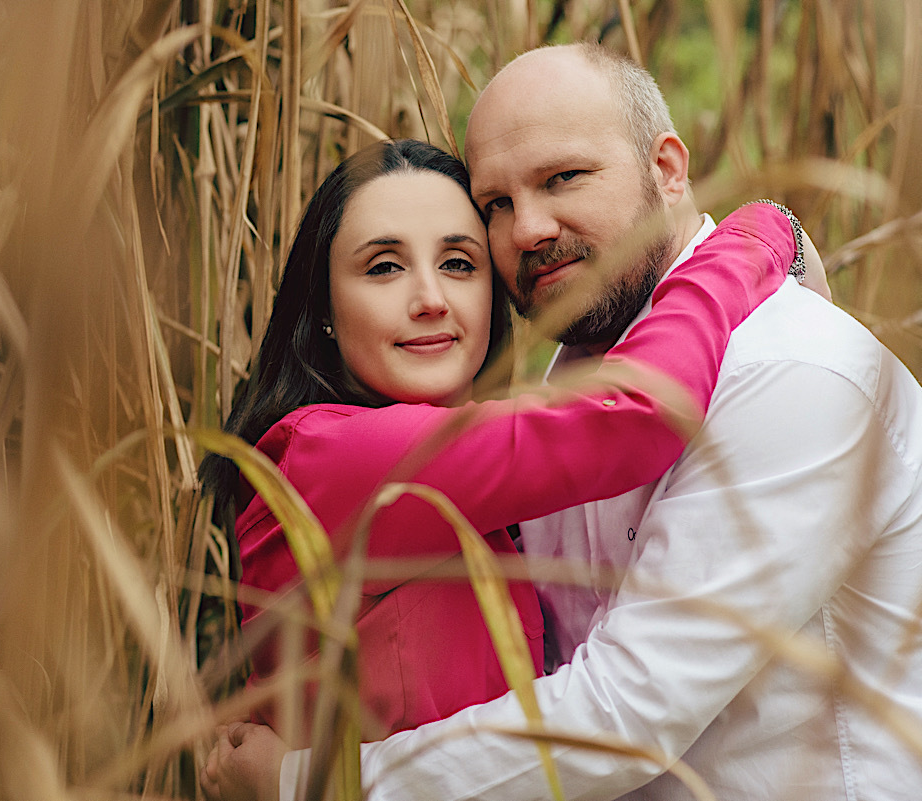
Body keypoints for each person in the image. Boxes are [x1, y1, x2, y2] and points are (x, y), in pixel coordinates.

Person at [206, 44, 922, 801]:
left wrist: (306, 784)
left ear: (668, 171)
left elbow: (625, 713)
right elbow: (625, 420)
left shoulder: (789, 372)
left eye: (563, 178)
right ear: (321, 311)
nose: (529, 229)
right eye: (496, 206)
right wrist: (760, 237)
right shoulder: (358, 447)